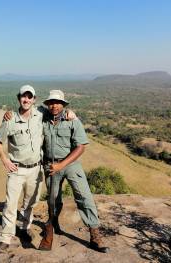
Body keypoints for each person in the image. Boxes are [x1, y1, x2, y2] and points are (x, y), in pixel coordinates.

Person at [38, 90, 109, 253]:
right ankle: (52, 226)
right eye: (51, 102)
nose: (54, 105)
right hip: (50, 165)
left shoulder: (72, 120)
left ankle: (94, 235)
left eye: (58, 102)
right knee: (53, 200)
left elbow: (81, 147)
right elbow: (28, 108)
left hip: (70, 163)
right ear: (48, 104)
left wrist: (61, 165)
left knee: (84, 197)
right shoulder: (43, 118)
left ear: (63, 104)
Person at [0, 85, 44, 254]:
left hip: (36, 169)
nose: (27, 100)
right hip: (17, 169)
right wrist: (4, 159)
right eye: (24, 97)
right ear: (19, 98)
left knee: (31, 202)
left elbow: (56, 110)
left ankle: (25, 227)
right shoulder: (10, 120)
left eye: (30, 97)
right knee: (10, 204)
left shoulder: (40, 114)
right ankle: (5, 239)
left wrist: (70, 114)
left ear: (34, 100)